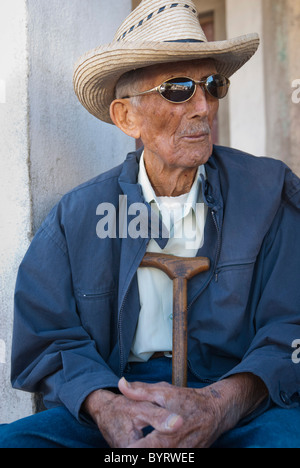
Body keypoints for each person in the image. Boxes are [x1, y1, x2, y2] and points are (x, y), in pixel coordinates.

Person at [1, 0, 300, 449]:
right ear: (127, 117)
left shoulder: (267, 194)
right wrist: (105, 407)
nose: (203, 106)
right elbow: (47, 339)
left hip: (239, 397)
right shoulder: (79, 216)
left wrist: (219, 405)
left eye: (213, 85)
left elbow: (290, 328)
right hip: (116, 399)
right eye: (178, 89)